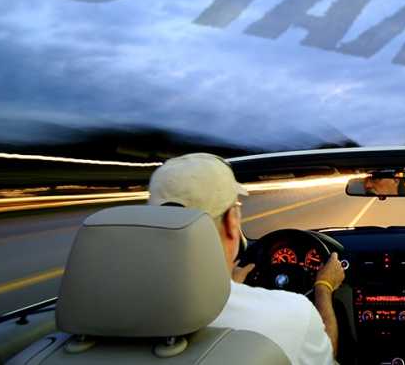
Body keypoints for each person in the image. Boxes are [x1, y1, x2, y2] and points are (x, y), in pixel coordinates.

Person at [147, 153, 345, 365]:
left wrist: (231, 287)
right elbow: (326, 356)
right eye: (237, 208)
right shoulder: (293, 314)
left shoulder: (113, 308)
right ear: (232, 224)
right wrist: (323, 288)